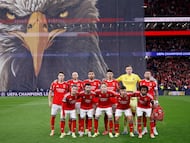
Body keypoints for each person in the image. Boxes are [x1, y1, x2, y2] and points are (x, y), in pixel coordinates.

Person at [116, 65, 141, 134]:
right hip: (125, 97)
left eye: (130, 69)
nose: (129, 70)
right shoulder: (123, 76)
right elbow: (115, 81)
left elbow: (142, 82)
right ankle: (125, 129)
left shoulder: (136, 76)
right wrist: (118, 89)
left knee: (134, 113)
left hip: (133, 97)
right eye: (127, 69)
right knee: (126, 114)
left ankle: (135, 129)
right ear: (125, 70)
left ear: (132, 70)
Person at [48, 72, 69, 137]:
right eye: (60, 75)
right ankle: (52, 130)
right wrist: (49, 101)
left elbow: (69, 93)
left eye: (62, 75)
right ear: (58, 76)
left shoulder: (66, 84)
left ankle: (62, 131)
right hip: (55, 104)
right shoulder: (54, 83)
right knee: (53, 116)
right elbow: (50, 92)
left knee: (62, 118)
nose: (61, 77)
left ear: (64, 77)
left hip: (63, 104)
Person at [139, 71, 159, 135]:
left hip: (152, 101)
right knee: (144, 115)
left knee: (153, 115)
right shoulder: (141, 82)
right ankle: (145, 129)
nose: (147, 75)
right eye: (146, 74)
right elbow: (139, 92)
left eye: (149, 74)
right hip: (144, 101)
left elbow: (156, 92)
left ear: (150, 75)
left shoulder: (153, 82)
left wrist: (156, 100)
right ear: (144, 75)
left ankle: (154, 129)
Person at [102, 69, 119, 135]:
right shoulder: (104, 82)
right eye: (108, 74)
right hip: (106, 101)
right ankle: (106, 130)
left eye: (111, 74)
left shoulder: (115, 82)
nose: (109, 75)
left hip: (114, 101)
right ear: (106, 75)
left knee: (114, 115)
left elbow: (118, 90)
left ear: (112, 75)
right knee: (106, 115)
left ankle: (114, 129)